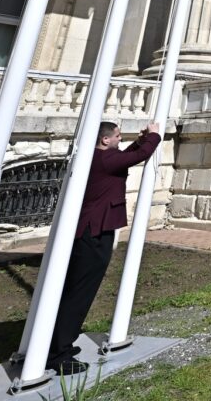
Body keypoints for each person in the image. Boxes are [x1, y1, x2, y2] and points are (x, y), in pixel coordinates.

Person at [48, 121, 162, 374]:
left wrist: (142, 140)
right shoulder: (104, 160)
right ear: (105, 140)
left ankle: (57, 344)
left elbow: (125, 156)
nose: (120, 139)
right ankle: (59, 354)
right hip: (94, 232)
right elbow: (139, 156)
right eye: (118, 136)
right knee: (79, 292)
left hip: (92, 229)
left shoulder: (102, 157)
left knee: (76, 289)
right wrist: (155, 136)